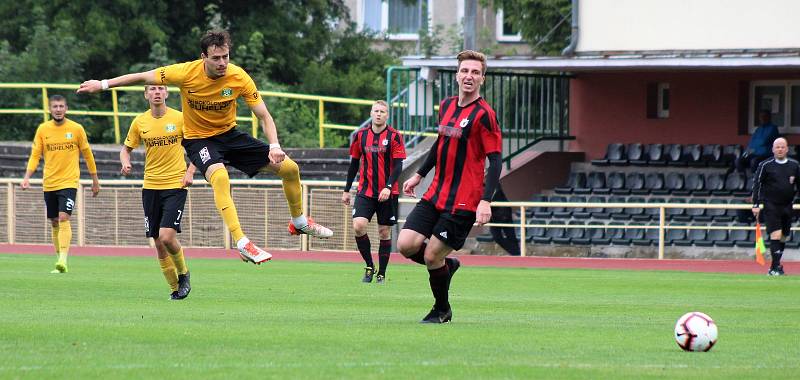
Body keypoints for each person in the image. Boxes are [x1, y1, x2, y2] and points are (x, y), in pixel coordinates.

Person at [78, 30, 333, 265]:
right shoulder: (185, 73)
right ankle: (241, 241)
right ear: (204, 57)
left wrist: (275, 145)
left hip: (230, 136)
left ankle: (298, 221)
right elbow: (142, 76)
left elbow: (264, 115)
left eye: (226, 56)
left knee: (290, 168)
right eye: (216, 58)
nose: (222, 63)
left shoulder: (238, 76)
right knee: (220, 177)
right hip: (199, 139)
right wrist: (102, 85)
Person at [397, 50, 502, 323]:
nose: (469, 76)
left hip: (464, 201)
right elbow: (440, 143)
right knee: (405, 245)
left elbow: (496, 160)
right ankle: (446, 266)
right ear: (457, 75)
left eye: (475, 72)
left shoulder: (485, 115)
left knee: (432, 256)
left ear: (483, 78)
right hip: (435, 194)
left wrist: (486, 201)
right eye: (465, 71)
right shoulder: (446, 106)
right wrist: (419, 174)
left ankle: (442, 309)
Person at [120, 85, 196, 300]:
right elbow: (126, 149)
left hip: (175, 185)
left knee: (166, 236)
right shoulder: (140, 122)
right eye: (152, 89)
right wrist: (125, 163)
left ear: (166, 93)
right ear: (146, 94)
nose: (156, 92)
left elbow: (198, 147)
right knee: (158, 242)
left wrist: (190, 171)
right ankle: (175, 289)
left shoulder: (180, 119)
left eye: (160, 89)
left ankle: (184, 274)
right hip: (150, 187)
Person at [21, 95, 101, 273]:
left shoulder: (76, 129)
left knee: (64, 217)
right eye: (55, 106)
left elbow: (88, 155)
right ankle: (59, 259)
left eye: (61, 106)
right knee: (55, 221)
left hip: (69, 181)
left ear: (66, 108)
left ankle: (63, 259)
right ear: (50, 109)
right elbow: (35, 155)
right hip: (49, 182)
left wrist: (95, 180)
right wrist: (27, 177)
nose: (58, 109)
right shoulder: (43, 130)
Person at [341, 100, 406, 284]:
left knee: (384, 232)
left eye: (382, 111)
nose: (379, 114)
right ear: (371, 113)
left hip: (388, 193)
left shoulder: (394, 136)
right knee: (358, 226)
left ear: (387, 115)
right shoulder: (360, 135)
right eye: (376, 111)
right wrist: (346, 190)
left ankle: (382, 274)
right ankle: (369, 266)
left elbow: (399, 164)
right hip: (365, 191)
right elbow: (354, 163)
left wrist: (388, 186)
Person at [752, 137, 800, 276]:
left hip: (787, 205)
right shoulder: (765, 165)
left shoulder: (794, 165)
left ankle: (776, 266)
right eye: (777, 147)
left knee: (784, 236)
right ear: (773, 149)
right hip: (771, 204)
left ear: (787, 149)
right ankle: (775, 267)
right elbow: (757, 185)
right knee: (776, 234)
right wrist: (756, 204)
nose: (780, 149)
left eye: (782, 147)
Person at [739, 110, 780, 175]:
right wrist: (746, 153)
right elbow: (751, 143)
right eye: (761, 117)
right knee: (739, 160)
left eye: (764, 116)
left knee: (754, 161)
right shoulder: (758, 129)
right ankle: (743, 179)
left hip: (766, 155)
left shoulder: (773, 128)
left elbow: (763, 141)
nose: (762, 118)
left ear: (769, 117)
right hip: (754, 153)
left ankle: (755, 179)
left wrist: (755, 144)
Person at [489, 186, 520, 256]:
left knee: (511, 236)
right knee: (497, 237)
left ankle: (517, 254)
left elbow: (493, 194)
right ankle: (516, 253)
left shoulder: (493, 181)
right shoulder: (476, 184)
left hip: (504, 213)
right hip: (493, 216)